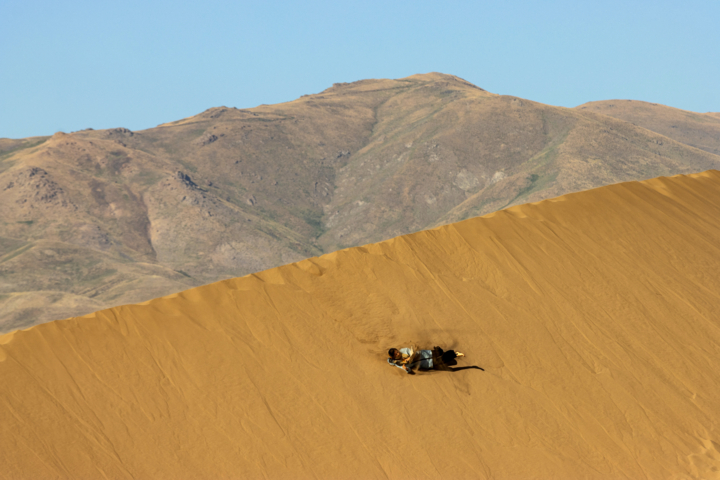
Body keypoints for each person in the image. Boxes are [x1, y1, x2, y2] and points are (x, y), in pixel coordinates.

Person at [388, 346, 478, 374]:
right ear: (394, 357)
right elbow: (409, 369)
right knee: (444, 360)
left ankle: (451, 353)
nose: (398, 353)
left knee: (440, 351)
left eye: (397, 351)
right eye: (396, 354)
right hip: (428, 363)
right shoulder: (399, 364)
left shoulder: (404, 350)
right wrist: (406, 369)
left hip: (427, 353)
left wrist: (409, 357)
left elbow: (413, 352)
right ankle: (455, 354)